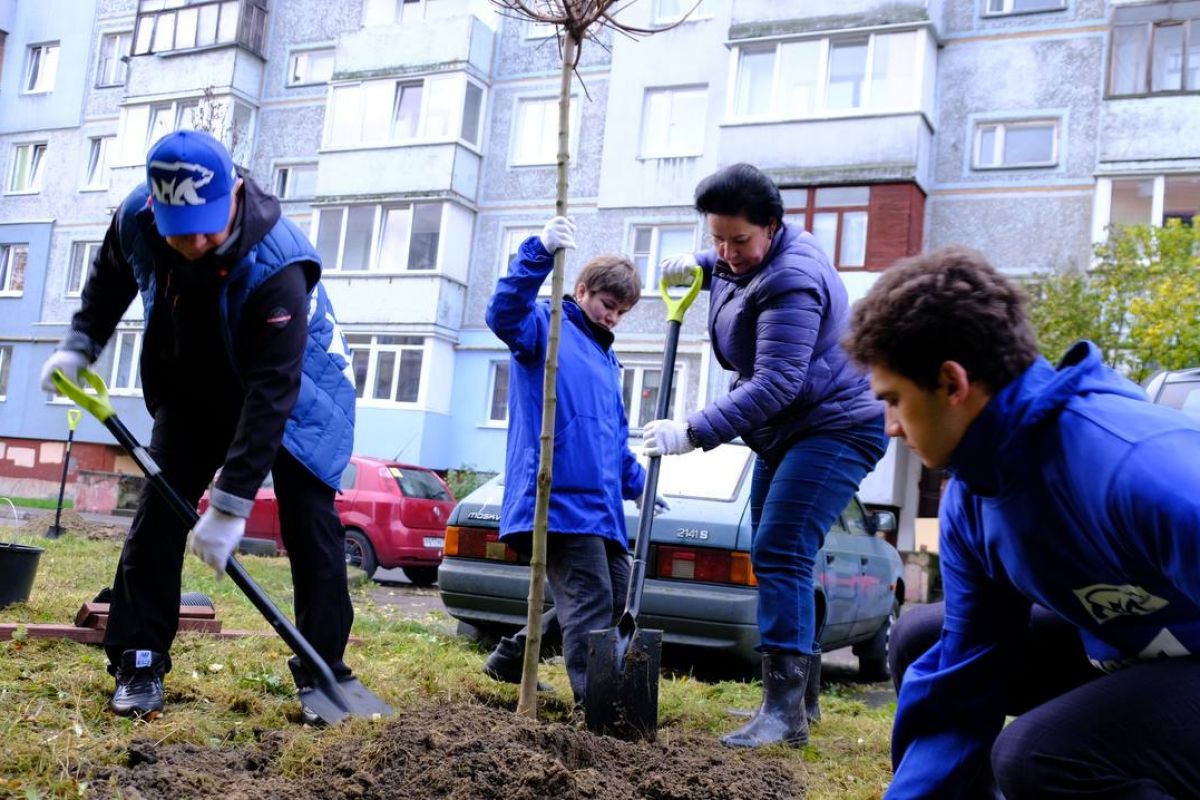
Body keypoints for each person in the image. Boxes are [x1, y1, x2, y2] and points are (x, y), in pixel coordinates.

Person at [844, 246, 1200, 799]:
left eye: (893, 400)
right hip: (1128, 648)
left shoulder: (1139, 467)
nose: (889, 426)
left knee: (1041, 755)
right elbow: (966, 678)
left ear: (951, 383)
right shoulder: (972, 497)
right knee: (925, 642)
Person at [39, 130, 357, 722]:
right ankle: (139, 658)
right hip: (196, 381)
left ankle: (324, 672)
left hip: (299, 386)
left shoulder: (279, 265)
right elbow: (111, 278)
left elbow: (272, 395)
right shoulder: (137, 217)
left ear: (235, 191)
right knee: (159, 513)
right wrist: (81, 342)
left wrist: (232, 507)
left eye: (210, 225)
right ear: (156, 210)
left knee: (310, 521)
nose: (199, 242)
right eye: (181, 231)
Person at [646, 163, 886, 748]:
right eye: (716, 238)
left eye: (739, 241)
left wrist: (693, 432)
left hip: (836, 426)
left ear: (773, 228)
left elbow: (778, 383)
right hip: (787, 429)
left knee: (780, 548)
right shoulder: (743, 256)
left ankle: (782, 716)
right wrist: (697, 264)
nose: (727, 253)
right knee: (774, 550)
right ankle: (798, 703)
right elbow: (727, 268)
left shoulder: (792, 281)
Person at [483, 216, 664, 705]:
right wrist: (538, 252)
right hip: (555, 499)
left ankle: (511, 659)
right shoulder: (546, 328)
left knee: (618, 594)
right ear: (581, 290)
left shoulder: (606, 361)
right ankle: (599, 705)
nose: (612, 318)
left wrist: (639, 483)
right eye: (608, 305)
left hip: (600, 509)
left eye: (622, 312)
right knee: (590, 604)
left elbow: (608, 441)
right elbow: (502, 313)